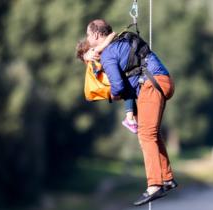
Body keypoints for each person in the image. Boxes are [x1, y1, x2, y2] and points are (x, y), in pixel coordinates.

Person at [86, 19, 178, 206]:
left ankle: (154, 185)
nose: (88, 40)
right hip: (162, 81)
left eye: (88, 36)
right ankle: (167, 178)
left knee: (146, 135)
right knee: (152, 133)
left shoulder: (108, 54)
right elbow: (128, 82)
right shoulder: (120, 40)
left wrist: (109, 95)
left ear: (96, 35)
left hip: (151, 85)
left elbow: (119, 87)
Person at [76, 34, 138, 134]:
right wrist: (112, 34)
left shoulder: (89, 59)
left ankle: (134, 119)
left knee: (129, 93)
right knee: (128, 89)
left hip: (107, 88)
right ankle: (130, 119)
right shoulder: (92, 53)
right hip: (111, 84)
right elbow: (107, 41)